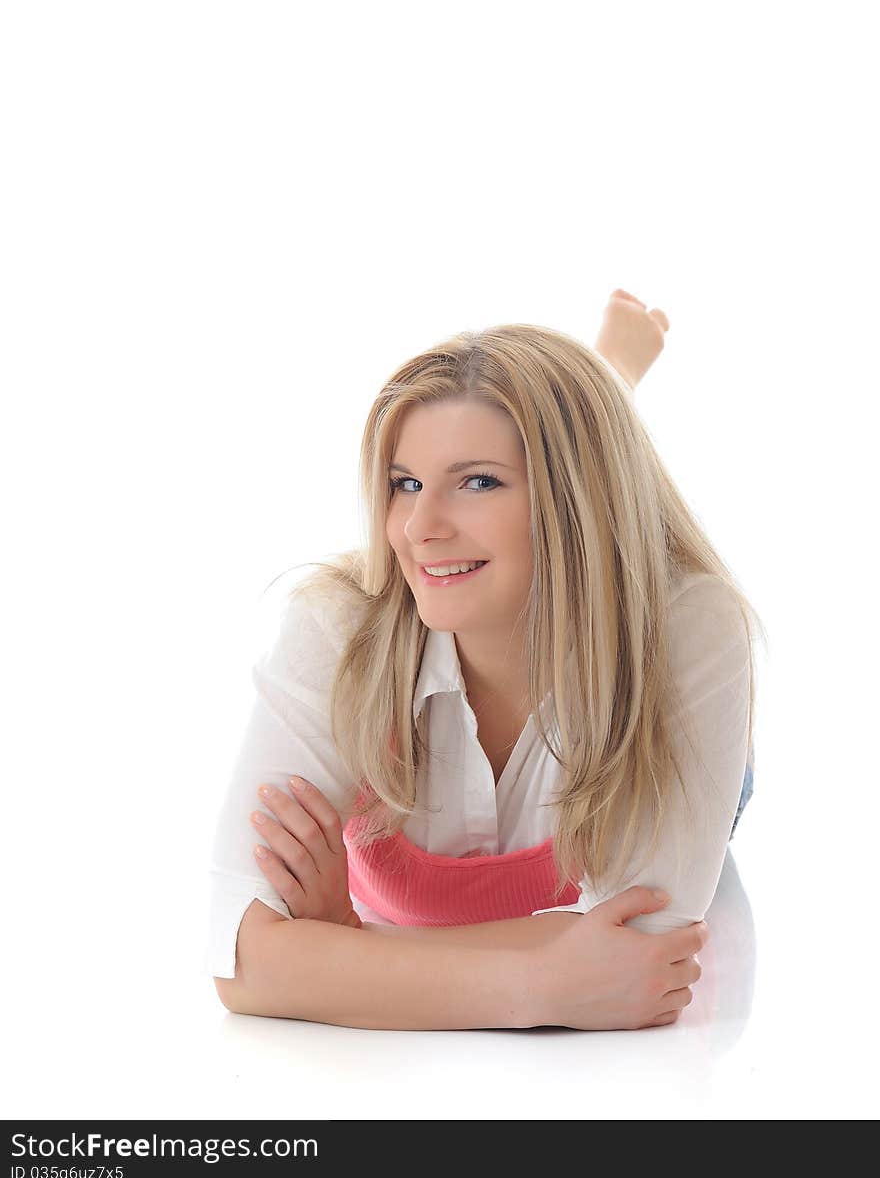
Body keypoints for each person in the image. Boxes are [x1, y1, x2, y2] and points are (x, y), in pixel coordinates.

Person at [206, 290, 764, 1032]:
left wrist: (346, 945)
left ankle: (609, 377)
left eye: (477, 481)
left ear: (571, 501)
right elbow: (241, 959)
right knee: (561, 441)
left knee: (587, 442)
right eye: (405, 483)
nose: (417, 528)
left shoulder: (689, 625)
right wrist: (540, 984)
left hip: (617, 633)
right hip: (541, 547)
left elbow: (643, 948)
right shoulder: (337, 622)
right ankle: (602, 380)